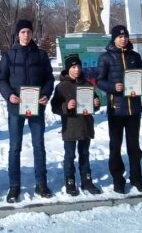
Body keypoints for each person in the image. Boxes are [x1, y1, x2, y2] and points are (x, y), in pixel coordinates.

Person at [0, 19, 55, 203]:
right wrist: (9, 95)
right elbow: (1, 79)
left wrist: (45, 94)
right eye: (22, 32)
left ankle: (41, 183)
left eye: (28, 32)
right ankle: (14, 185)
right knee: (15, 147)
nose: (26, 35)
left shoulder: (41, 55)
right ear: (18, 34)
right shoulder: (8, 55)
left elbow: (49, 79)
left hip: (36, 106)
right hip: (16, 107)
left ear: (32, 33)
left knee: (39, 145)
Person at [97, 25, 142, 194]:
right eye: (120, 37)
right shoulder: (105, 57)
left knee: (134, 146)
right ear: (114, 39)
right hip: (116, 108)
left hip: (134, 108)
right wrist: (113, 87)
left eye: (125, 36)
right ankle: (118, 179)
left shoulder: (135, 56)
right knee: (115, 146)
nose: (123, 39)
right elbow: (99, 81)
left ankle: (136, 178)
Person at [51, 54, 102, 196]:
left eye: (78, 66)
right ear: (68, 69)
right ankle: (70, 181)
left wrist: (96, 103)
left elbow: (94, 104)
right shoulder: (61, 87)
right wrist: (66, 106)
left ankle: (87, 181)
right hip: (70, 127)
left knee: (84, 154)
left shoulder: (87, 84)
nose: (77, 69)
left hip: (85, 126)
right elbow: (54, 107)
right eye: (73, 67)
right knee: (70, 156)